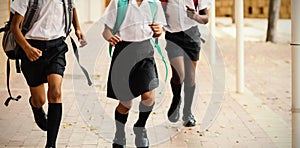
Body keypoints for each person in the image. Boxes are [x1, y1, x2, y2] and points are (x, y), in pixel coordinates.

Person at [10, 0, 86, 147]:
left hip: (56, 48)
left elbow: (72, 7)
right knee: (40, 100)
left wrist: (78, 28)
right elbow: (14, 27)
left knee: (55, 92)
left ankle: (51, 144)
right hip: (32, 48)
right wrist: (27, 49)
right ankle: (35, 105)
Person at [101, 0, 166, 147]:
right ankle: (119, 134)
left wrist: (159, 31)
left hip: (145, 52)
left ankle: (140, 128)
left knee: (148, 97)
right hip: (123, 53)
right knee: (125, 104)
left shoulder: (153, 3)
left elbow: (160, 30)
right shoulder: (118, 3)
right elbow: (106, 30)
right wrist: (109, 37)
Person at [162, 0, 211, 127]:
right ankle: (176, 99)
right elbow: (158, 11)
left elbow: (205, 19)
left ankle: (188, 113)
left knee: (190, 77)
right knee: (179, 75)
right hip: (173, 36)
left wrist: (195, 16)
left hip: (192, 36)